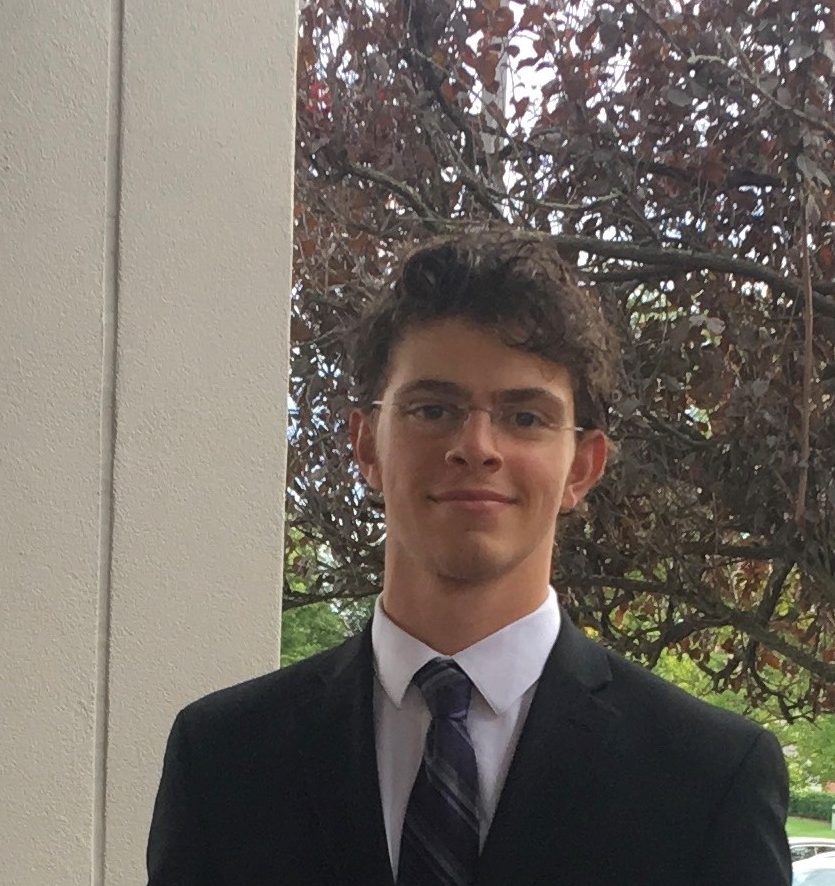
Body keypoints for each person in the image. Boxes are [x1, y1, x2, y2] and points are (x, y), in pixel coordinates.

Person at [146, 230, 791, 885]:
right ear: (366, 445)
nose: (477, 446)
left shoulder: (709, 779)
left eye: (526, 418)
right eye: (433, 409)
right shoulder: (223, 758)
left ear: (582, 467)